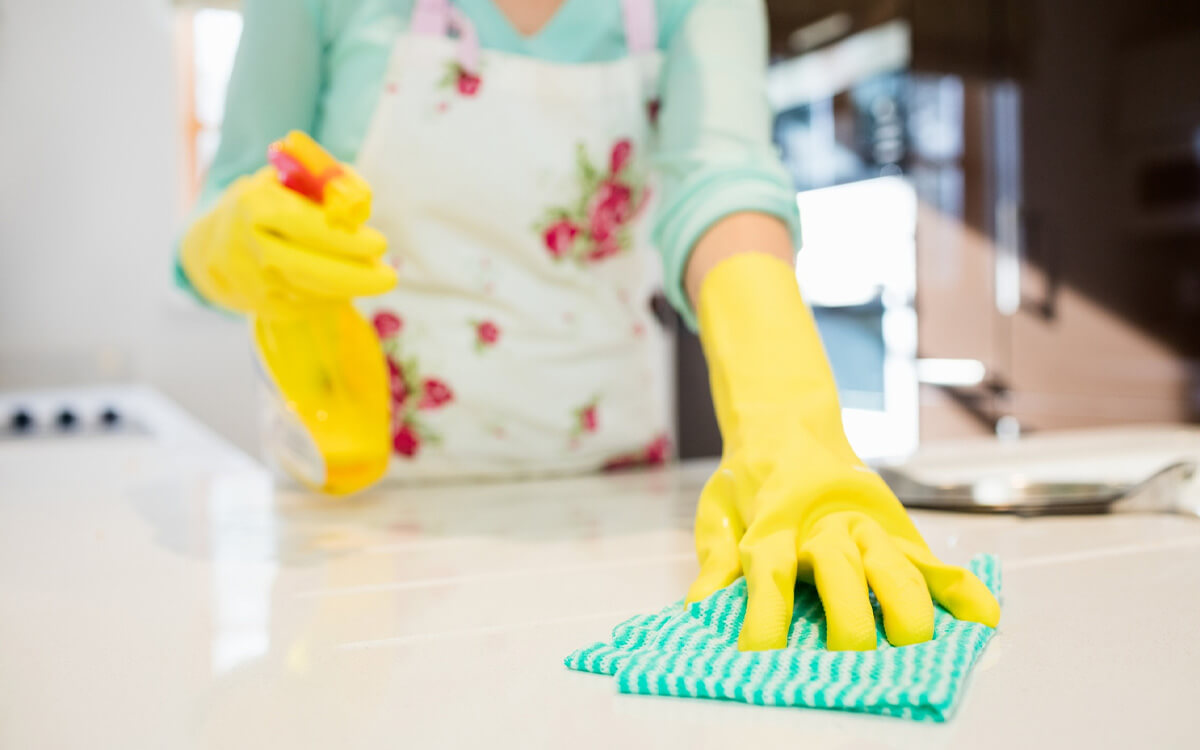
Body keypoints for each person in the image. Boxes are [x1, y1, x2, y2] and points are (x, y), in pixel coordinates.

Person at [180, 0, 999, 652]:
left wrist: (793, 434)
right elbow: (219, 207)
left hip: (613, 500)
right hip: (356, 522)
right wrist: (231, 244)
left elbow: (721, 177)